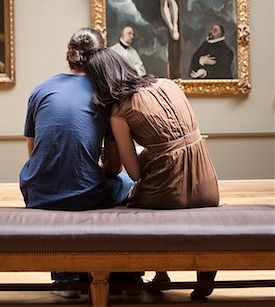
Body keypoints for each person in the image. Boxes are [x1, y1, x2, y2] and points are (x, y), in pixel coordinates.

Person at [77, 28, 219, 299]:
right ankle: (200, 271)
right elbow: (174, 144)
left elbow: (135, 171)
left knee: (130, 196)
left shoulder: (120, 110)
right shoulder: (169, 84)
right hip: (207, 182)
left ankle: (157, 271)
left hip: (168, 192)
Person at [19, 28, 135, 299]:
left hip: (37, 192)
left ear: (68, 55)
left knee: (64, 186)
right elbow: (114, 168)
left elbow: (33, 153)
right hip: (84, 194)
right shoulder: (104, 94)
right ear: (101, 57)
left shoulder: (41, 89)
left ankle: (65, 277)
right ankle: (127, 273)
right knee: (127, 184)